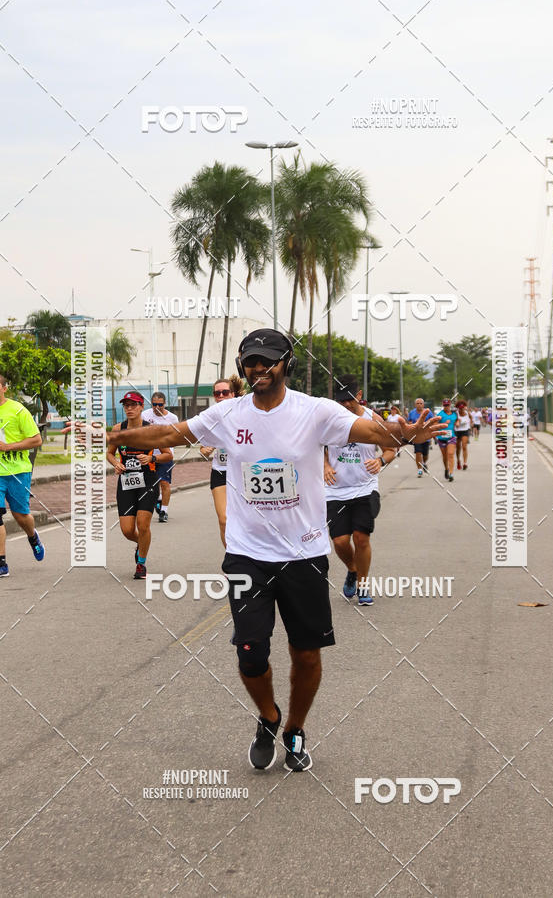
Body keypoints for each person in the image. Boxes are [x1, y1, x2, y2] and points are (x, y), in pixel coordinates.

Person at [107, 329, 445, 772]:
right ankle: (268, 717)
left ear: (286, 363)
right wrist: (119, 440)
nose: (257, 368)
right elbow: (171, 434)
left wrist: (402, 432)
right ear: (242, 365)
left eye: (267, 360)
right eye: (250, 361)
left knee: (306, 653)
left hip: (303, 553)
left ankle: (295, 729)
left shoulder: (314, 411)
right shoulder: (229, 414)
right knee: (250, 650)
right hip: (248, 554)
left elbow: (367, 428)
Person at [323, 376, 396, 606]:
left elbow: (391, 448)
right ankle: (353, 570)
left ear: (359, 395)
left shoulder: (371, 418)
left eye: (349, 399)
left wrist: (381, 461)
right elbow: (317, 447)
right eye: (341, 400)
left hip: (365, 487)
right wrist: (325, 465)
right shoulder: (329, 419)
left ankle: (363, 585)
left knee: (361, 537)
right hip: (335, 491)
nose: (345, 404)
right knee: (341, 542)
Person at [107, 391, 172, 580]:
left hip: (148, 481)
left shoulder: (151, 429)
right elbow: (110, 453)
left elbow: (168, 455)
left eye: (133, 405)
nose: (129, 408)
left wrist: (151, 457)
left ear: (141, 406)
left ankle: (141, 563)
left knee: (143, 525)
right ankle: (142, 543)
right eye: (126, 405)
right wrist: (116, 463)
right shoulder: (118, 429)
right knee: (127, 530)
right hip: (127, 482)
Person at [0, 375, 45, 576]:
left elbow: (36, 440)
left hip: (18, 471)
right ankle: (2, 563)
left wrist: (9, 447)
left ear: (4, 388)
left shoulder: (18, 410)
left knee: (20, 515)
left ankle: (33, 536)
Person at [200, 376, 245, 548]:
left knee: (247, 520)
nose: (220, 396)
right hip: (220, 471)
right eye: (217, 393)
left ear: (233, 394)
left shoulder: (244, 415)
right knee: (224, 520)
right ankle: (232, 559)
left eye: (224, 392)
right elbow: (203, 449)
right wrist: (206, 450)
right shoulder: (211, 419)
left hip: (243, 472)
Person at [142, 391, 179, 523]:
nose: (157, 407)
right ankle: (158, 500)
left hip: (165, 456)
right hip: (149, 455)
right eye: (154, 404)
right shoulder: (145, 415)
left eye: (160, 405)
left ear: (165, 404)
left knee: (164, 483)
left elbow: (176, 436)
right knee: (152, 484)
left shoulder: (172, 418)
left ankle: (164, 511)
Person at [408, 397, 434, 477]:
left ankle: (424, 463)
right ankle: (419, 469)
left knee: (425, 455)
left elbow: (432, 422)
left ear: (423, 404)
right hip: (416, 437)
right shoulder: (412, 413)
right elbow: (409, 423)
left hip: (426, 436)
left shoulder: (428, 412)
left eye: (421, 403)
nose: (419, 405)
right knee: (418, 453)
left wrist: (427, 424)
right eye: (417, 403)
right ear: (415, 405)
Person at [436, 398, 458, 482]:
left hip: (451, 437)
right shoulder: (440, 414)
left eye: (447, 405)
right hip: (442, 438)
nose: (446, 407)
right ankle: (446, 469)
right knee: (445, 457)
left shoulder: (454, 414)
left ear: (450, 405)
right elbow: (435, 424)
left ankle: (451, 474)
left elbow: (457, 420)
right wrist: (444, 424)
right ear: (443, 405)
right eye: (445, 405)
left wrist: (457, 423)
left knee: (450, 454)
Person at [454, 400, 472, 470]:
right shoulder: (456, 414)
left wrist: (471, 424)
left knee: (464, 446)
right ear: (458, 408)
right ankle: (458, 460)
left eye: (462, 408)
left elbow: (471, 419)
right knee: (458, 447)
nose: (461, 409)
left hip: (465, 430)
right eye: (460, 408)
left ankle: (465, 463)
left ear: (464, 407)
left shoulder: (468, 413)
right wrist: (456, 423)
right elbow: (454, 422)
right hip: (457, 431)